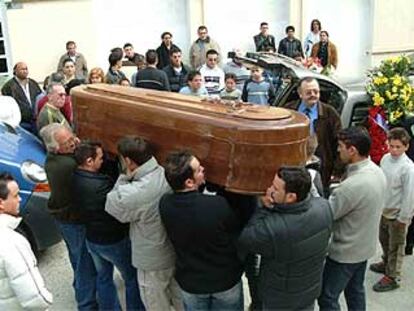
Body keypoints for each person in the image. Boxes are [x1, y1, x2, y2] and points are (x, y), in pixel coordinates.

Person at [238, 166, 333, 310]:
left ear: (291, 197)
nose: (269, 190)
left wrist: (263, 207)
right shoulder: (324, 207)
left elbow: (247, 238)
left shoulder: (275, 228)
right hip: (308, 292)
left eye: (275, 188)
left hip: (279, 300)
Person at [105, 136, 183, 311]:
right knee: (179, 299)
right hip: (173, 251)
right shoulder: (165, 173)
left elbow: (111, 204)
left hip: (152, 259)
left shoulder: (135, 192)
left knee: (156, 304)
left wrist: (125, 175)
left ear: (128, 161)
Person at [160, 150, 244, 310]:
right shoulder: (217, 205)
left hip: (191, 283)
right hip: (224, 280)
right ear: (189, 183)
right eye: (199, 169)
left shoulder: (165, 204)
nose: (204, 169)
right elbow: (235, 235)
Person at [318, 127, 387, 311]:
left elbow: (327, 214)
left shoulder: (351, 186)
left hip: (344, 253)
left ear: (352, 150)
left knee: (327, 296)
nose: (338, 150)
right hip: (364, 247)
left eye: (341, 146)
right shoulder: (376, 170)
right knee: (355, 290)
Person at [73, 141, 145, 310]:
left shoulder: (75, 177)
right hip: (113, 241)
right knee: (131, 277)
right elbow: (119, 204)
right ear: (89, 162)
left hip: (92, 239)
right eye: (100, 157)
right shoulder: (100, 186)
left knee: (103, 277)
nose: (103, 160)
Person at [39, 123, 98, 310]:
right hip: (73, 221)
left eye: (72, 137)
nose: (73, 143)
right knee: (84, 264)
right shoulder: (68, 165)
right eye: (68, 142)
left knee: (76, 257)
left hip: (63, 220)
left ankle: (79, 289)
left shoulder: (54, 158)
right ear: (56, 148)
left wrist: (75, 145)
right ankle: (86, 304)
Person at [369, 128, 414, 291]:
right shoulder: (385, 159)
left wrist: (404, 218)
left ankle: (393, 276)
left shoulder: (408, 168)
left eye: (398, 147)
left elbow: (410, 195)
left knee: (396, 246)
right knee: (385, 241)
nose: (394, 150)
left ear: (406, 147)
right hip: (384, 209)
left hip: (397, 215)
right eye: (391, 146)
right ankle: (386, 262)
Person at [0, 172, 53, 310]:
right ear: (1, 203)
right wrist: (47, 300)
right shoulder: (12, 242)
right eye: (16, 195)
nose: (20, 200)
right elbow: (35, 298)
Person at [284, 77, 342, 189]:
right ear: (300, 94)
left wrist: (336, 171)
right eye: (308, 92)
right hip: (293, 167)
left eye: (316, 91)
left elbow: (339, 144)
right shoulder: (288, 111)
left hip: (321, 169)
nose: (313, 95)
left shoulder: (329, 113)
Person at [1, 62, 42, 132]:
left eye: (26, 69)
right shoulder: (8, 86)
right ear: (15, 71)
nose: (25, 71)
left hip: (36, 120)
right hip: (21, 123)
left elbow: (40, 97)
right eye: (22, 69)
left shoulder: (33, 83)